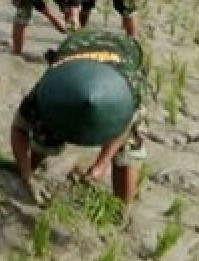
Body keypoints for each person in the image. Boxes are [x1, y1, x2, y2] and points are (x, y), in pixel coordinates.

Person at [10, 32, 146, 205]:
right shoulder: (47, 90)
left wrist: (100, 166)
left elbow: (125, 126)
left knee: (127, 151)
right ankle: (29, 170)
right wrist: (27, 176)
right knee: (45, 133)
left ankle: (122, 213)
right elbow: (19, 129)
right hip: (77, 45)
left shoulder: (128, 90)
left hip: (122, 55)